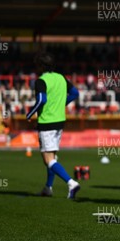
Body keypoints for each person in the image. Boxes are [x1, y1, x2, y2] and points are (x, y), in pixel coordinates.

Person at [27, 52, 80, 198]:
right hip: (60, 121)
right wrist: (61, 104)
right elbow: (75, 93)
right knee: (53, 157)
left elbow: (41, 100)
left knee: (48, 159)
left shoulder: (41, 81)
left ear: (40, 66)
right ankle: (48, 188)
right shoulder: (61, 77)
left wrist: (29, 114)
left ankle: (71, 183)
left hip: (47, 122)